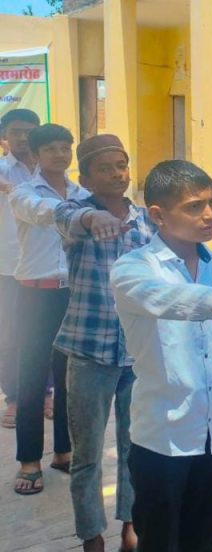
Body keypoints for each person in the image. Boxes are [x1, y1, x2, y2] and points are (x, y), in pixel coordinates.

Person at [111, 160, 212, 551]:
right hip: (164, 439)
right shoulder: (133, 269)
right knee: (159, 542)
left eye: (211, 202)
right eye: (194, 206)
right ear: (158, 215)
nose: (209, 214)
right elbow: (165, 298)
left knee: (206, 539)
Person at [53, 134, 152, 551]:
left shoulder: (146, 220)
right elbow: (66, 218)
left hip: (137, 354)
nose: (116, 174)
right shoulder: (76, 213)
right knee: (87, 453)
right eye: (105, 168)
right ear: (87, 177)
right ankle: (91, 535)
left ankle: (130, 526)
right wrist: (92, 218)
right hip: (88, 350)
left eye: (121, 165)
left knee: (136, 446)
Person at [8, 123, 88, 495]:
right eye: (52, 149)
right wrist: (83, 214)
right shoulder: (24, 193)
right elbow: (43, 213)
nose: (60, 154)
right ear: (37, 155)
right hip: (34, 295)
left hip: (72, 294)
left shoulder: (83, 193)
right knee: (32, 378)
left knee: (70, 377)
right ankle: (29, 460)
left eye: (65, 148)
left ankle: (63, 451)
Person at [0, 108, 40, 430]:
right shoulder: (2, 170)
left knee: (47, 334)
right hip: (8, 266)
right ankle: (13, 397)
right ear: (5, 136)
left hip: (46, 266)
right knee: (11, 335)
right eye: (16, 131)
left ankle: (45, 393)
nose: (23, 137)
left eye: (29, 131)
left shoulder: (49, 169)